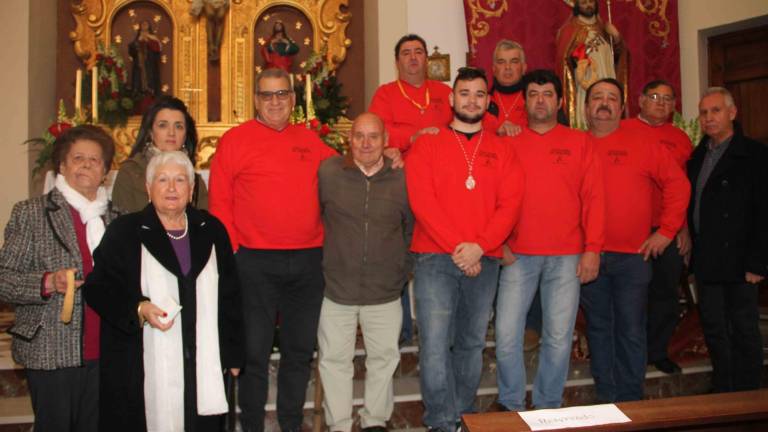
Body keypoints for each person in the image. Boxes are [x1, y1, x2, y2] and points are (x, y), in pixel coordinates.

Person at [208, 67, 337, 432]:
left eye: (282, 94)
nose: (275, 102)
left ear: (294, 100)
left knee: (299, 352)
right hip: (254, 264)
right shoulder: (235, 141)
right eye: (267, 95)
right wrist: (233, 256)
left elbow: (349, 171)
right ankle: (251, 426)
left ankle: (291, 424)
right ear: (256, 100)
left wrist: (388, 154)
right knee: (253, 354)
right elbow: (220, 204)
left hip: (309, 262)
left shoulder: (311, 140)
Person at [83, 151, 243, 431]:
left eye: (180, 180)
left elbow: (230, 295)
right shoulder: (125, 231)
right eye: (163, 180)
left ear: (192, 190)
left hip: (201, 360)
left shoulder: (212, 229)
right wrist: (139, 308)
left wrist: (233, 354)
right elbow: (98, 287)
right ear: (148, 188)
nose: (171, 188)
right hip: (141, 363)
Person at [406, 67, 524, 432]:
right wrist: (461, 249)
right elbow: (422, 202)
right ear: (452, 99)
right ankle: (441, 422)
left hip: (484, 259)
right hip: (434, 257)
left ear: (487, 102)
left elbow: (511, 204)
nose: (471, 100)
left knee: (472, 343)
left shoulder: (503, 149)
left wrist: (480, 248)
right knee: (436, 344)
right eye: (464, 93)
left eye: (478, 94)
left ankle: (463, 416)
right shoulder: (427, 144)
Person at [495, 69, 604, 411]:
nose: (540, 100)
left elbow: (594, 199)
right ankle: (511, 403)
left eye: (546, 94)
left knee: (557, 338)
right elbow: (493, 198)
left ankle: (547, 405)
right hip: (518, 255)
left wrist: (592, 250)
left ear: (559, 101)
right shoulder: (508, 143)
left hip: (567, 256)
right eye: (533, 94)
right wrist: (499, 243)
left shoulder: (580, 141)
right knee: (506, 335)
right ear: (524, 101)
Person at [0, 125, 120, 432]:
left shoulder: (118, 219)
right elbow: (4, 278)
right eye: (77, 157)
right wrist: (48, 283)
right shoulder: (32, 213)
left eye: (95, 160)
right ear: (62, 166)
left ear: (105, 170)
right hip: (51, 353)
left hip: (106, 352)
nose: (86, 165)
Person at [582, 78, 690, 402]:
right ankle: (606, 398)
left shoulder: (641, 140)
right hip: (589, 258)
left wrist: (667, 231)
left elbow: (678, 185)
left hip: (632, 257)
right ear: (586, 108)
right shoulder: (575, 144)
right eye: (597, 97)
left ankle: (631, 401)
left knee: (630, 329)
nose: (604, 103)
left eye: (611, 98)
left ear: (622, 106)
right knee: (599, 330)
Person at [317, 112, 413, 432]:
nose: (366, 143)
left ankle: (374, 421)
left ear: (386, 141)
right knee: (334, 362)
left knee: (383, 361)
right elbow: (312, 219)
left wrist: (403, 269)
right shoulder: (329, 172)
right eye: (359, 135)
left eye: (374, 136)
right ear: (350, 139)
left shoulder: (402, 178)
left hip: (384, 290)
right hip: (337, 289)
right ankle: (340, 424)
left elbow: (412, 229)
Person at [687, 87, 768, 393]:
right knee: (715, 329)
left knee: (743, 329)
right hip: (708, 260)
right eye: (704, 112)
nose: (709, 118)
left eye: (716, 111)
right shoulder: (698, 155)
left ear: (732, 113)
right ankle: (723, 388)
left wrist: (758, 261)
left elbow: (764, 212)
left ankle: (747, 395)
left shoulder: (755, 155)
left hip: (741, 261)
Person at [623, 80, 693, 375]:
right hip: (631, 227)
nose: (661, 103)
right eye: (654, 97)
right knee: (633, 294)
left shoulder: (680, 139)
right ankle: (632, 352)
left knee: (665, 292)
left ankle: (658, 350)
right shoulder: (622, 131)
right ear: (640, 100)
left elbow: (685, 187)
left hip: (668, 227)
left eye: (668, 99)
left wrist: (683, 229)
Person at [112, 96, 209, 213]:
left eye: (179, 126)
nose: (171, 133)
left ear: (185, 135)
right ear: (150, 132)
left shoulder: (195, 181)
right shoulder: (131, 172)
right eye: (163, 125)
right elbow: (121, 225)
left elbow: (204, 227)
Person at [369, 34, 453, 161]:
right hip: (401, 168)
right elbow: (376, 131)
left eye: (418, 52)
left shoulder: (446, 91)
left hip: (444, 164)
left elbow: (465, 122)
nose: (413, 57)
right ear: (397, 62)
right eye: (406, 53)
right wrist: (413, 136)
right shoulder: (384, 93)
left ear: (426, 60)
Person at [556, 0, 627, 129]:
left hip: (607, 76)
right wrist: (579, 61)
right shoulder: (569, 30)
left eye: (591, 2)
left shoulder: (604, 28)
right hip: (584, 85)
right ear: (577, 5)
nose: (588, 5)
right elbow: (564, 60)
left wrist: (616, 36)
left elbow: (618, 57)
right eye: (583, 2)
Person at [483, 39, 528, 136]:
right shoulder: (481, 102)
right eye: (501, 62)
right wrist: (495, 129)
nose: (507, 67)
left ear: (524, 68)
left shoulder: (535, 100)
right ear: (494, 70)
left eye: (514, 61)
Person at [129, 20, 162, 98]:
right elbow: (132, 51)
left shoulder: (153, 38)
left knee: (151, 83)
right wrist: (139, 41)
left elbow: (157, 49)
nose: (144, 25)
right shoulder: (137, 38)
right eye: (142, 24)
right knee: (138, 83)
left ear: (149, 26)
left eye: (146, 24)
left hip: (150, 66)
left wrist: (148, 40)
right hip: (139, 67)